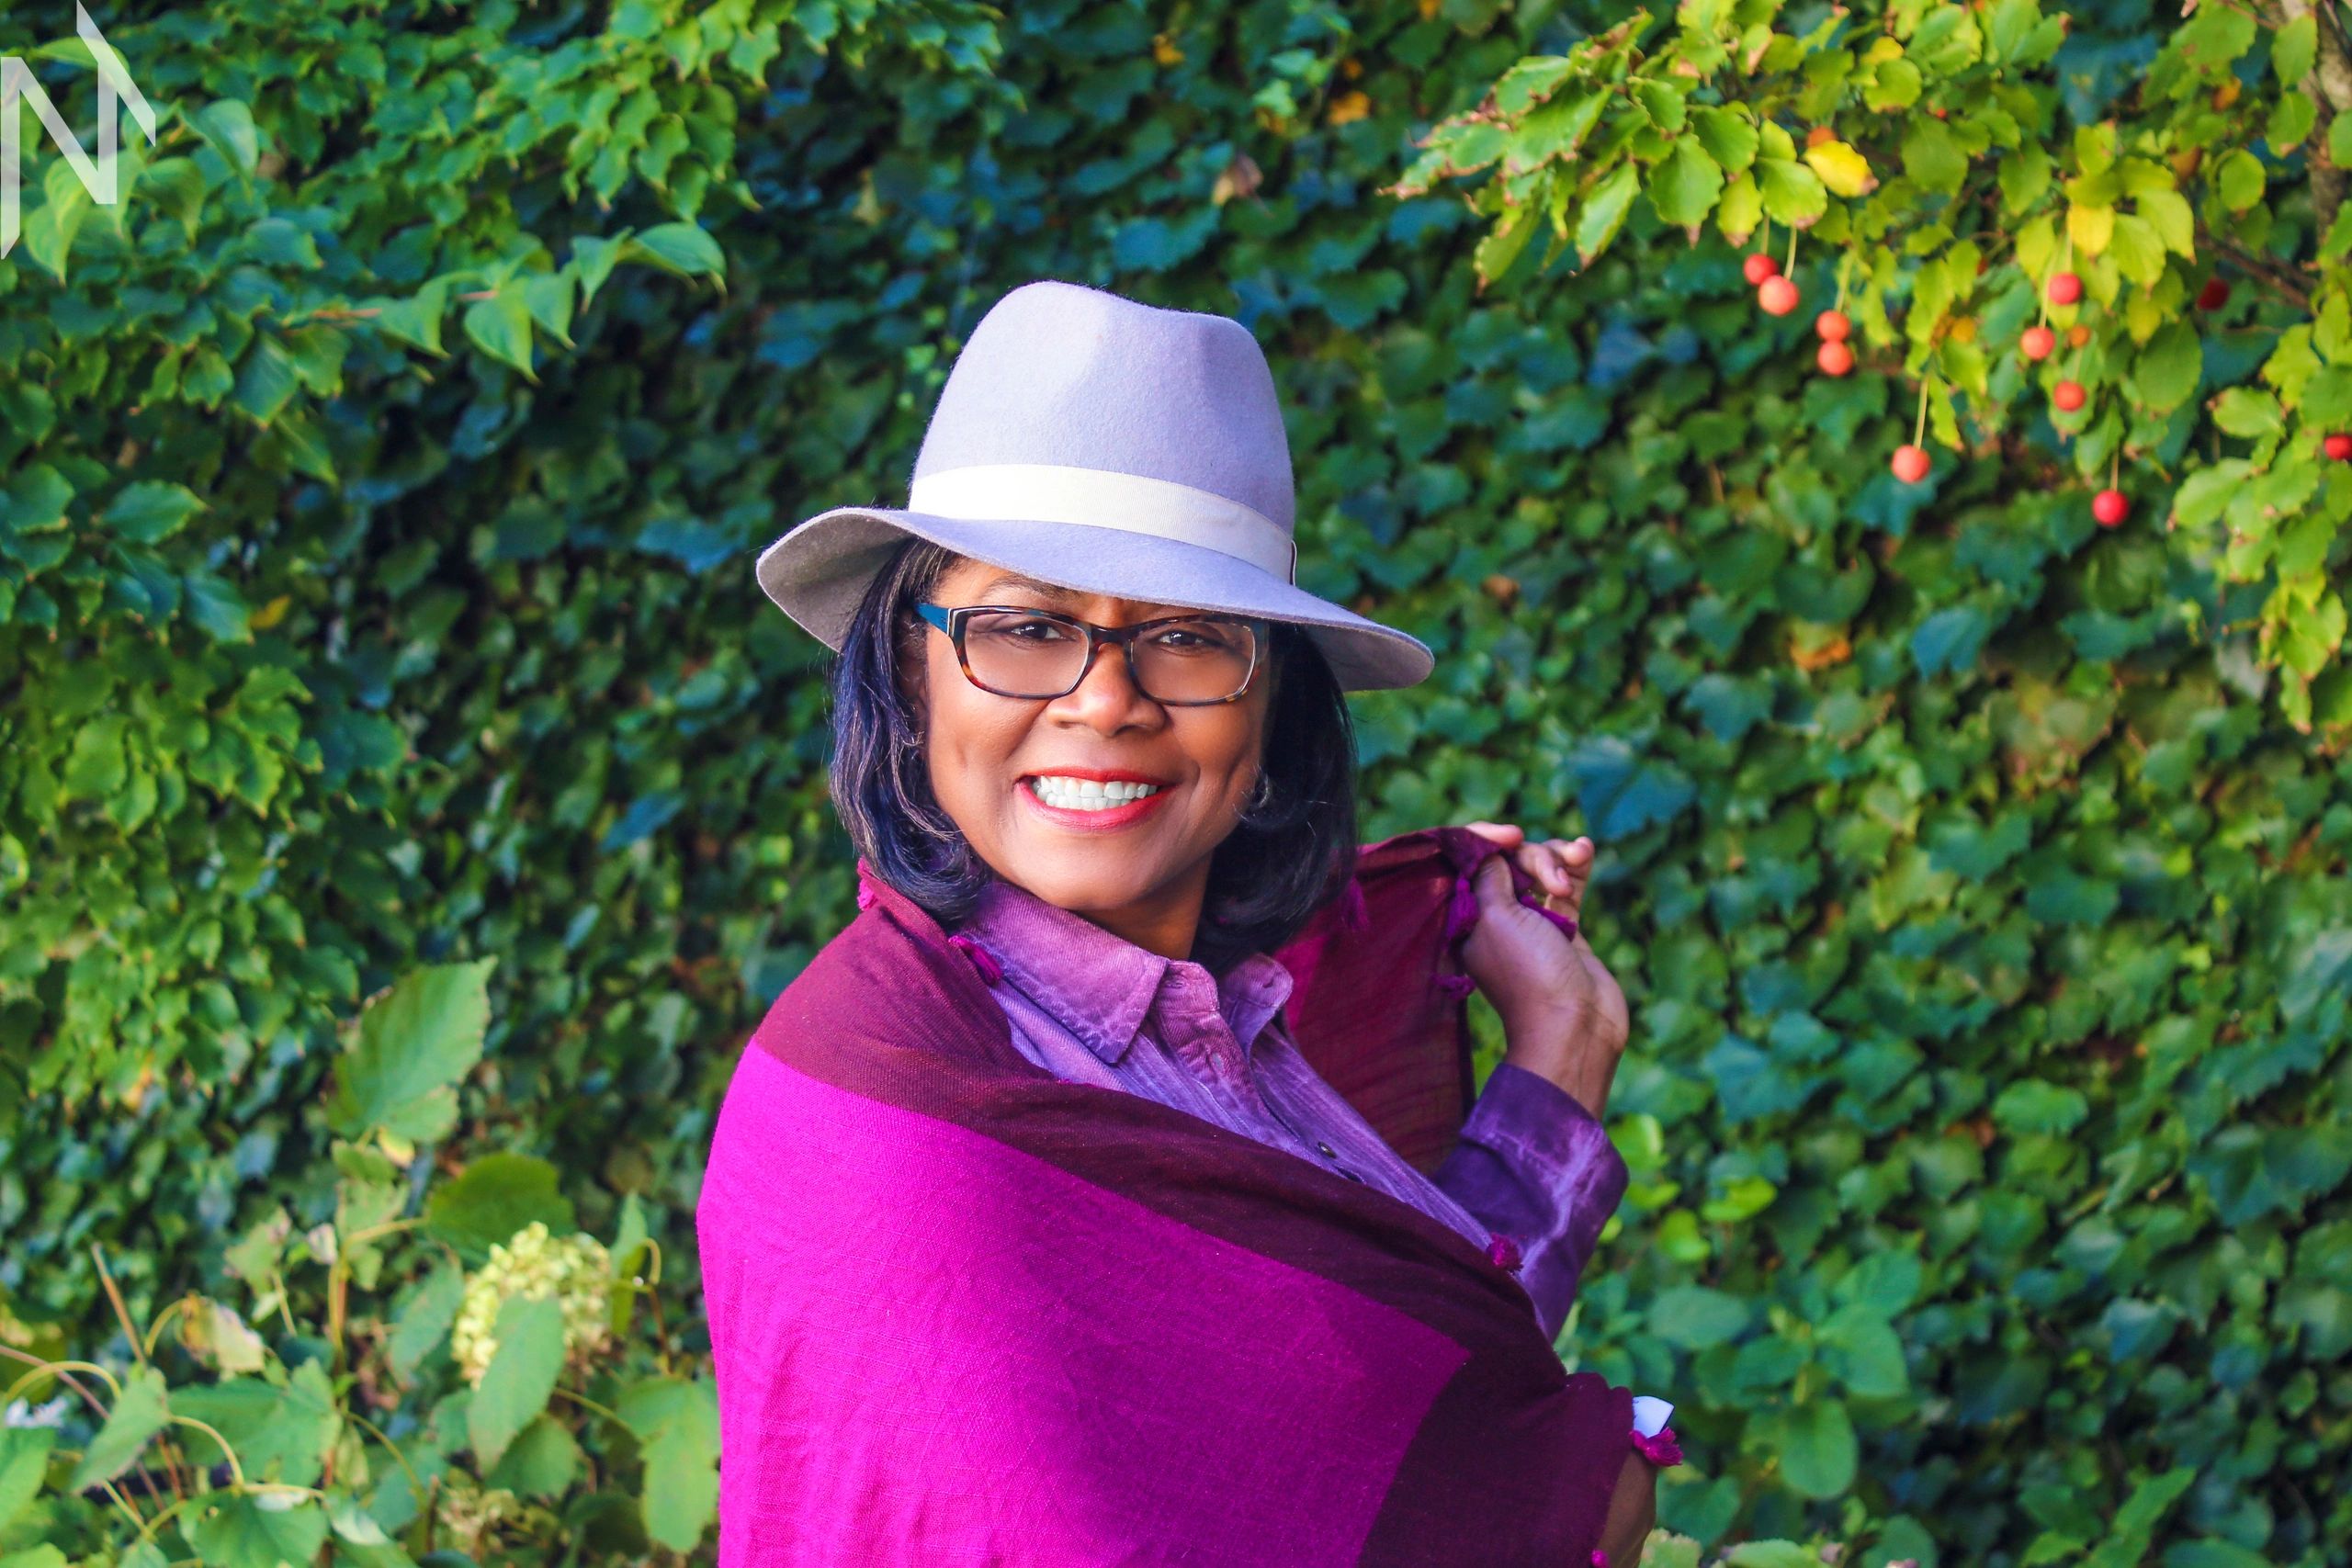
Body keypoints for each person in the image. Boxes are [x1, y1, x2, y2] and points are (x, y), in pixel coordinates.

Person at [696, 279, 1676, 1565]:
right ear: (912, 674)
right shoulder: (883, 1122)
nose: (1106, 701)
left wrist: (1562, 1045)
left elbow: (1401, 1428)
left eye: (1190, 637)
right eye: (1027, 627)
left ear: (1270, 719)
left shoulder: (1258, 1033)